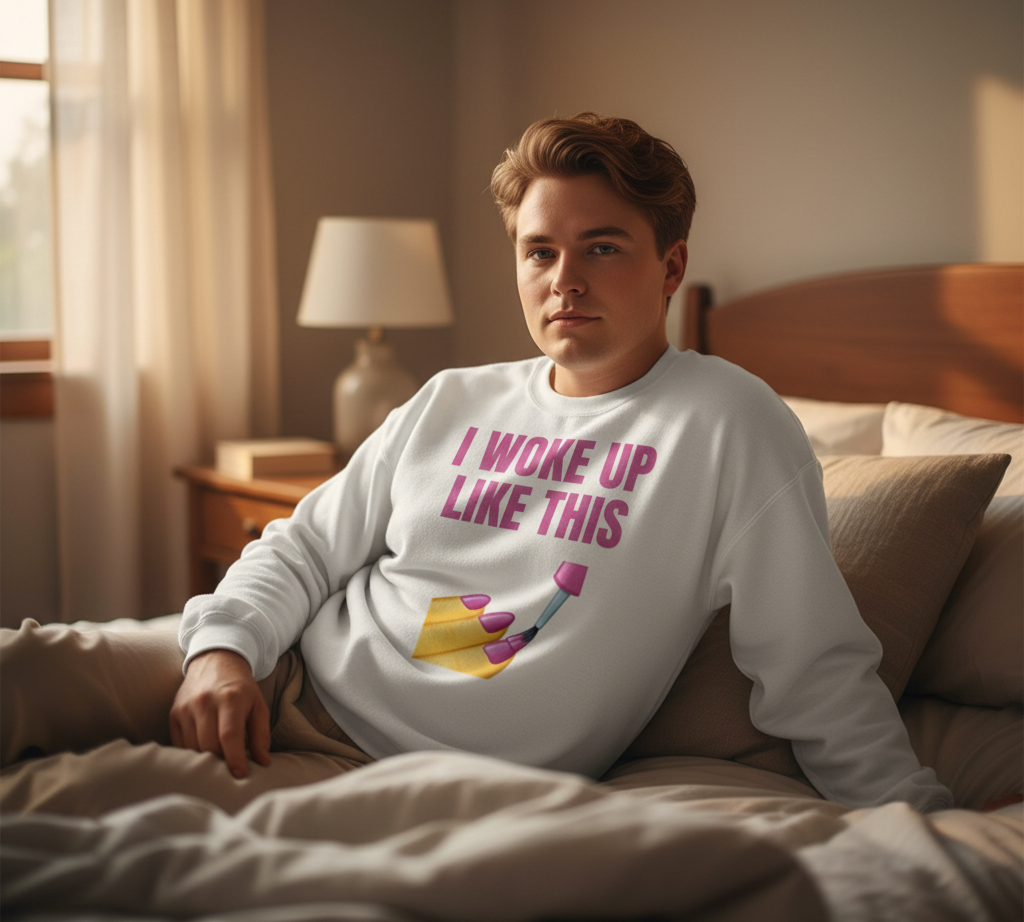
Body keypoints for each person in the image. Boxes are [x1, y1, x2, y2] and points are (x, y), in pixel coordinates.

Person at [0, 113, 952, 815]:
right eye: (539, 252)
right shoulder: (452, 397)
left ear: (670, 267)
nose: (563, 280)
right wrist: (220, 653)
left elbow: (812, 667)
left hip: (394, 769)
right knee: (31, 665)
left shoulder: (727, 422)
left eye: (602, 247)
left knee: (71, 818)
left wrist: (922, 815)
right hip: (277, 668)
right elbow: (303, 549)